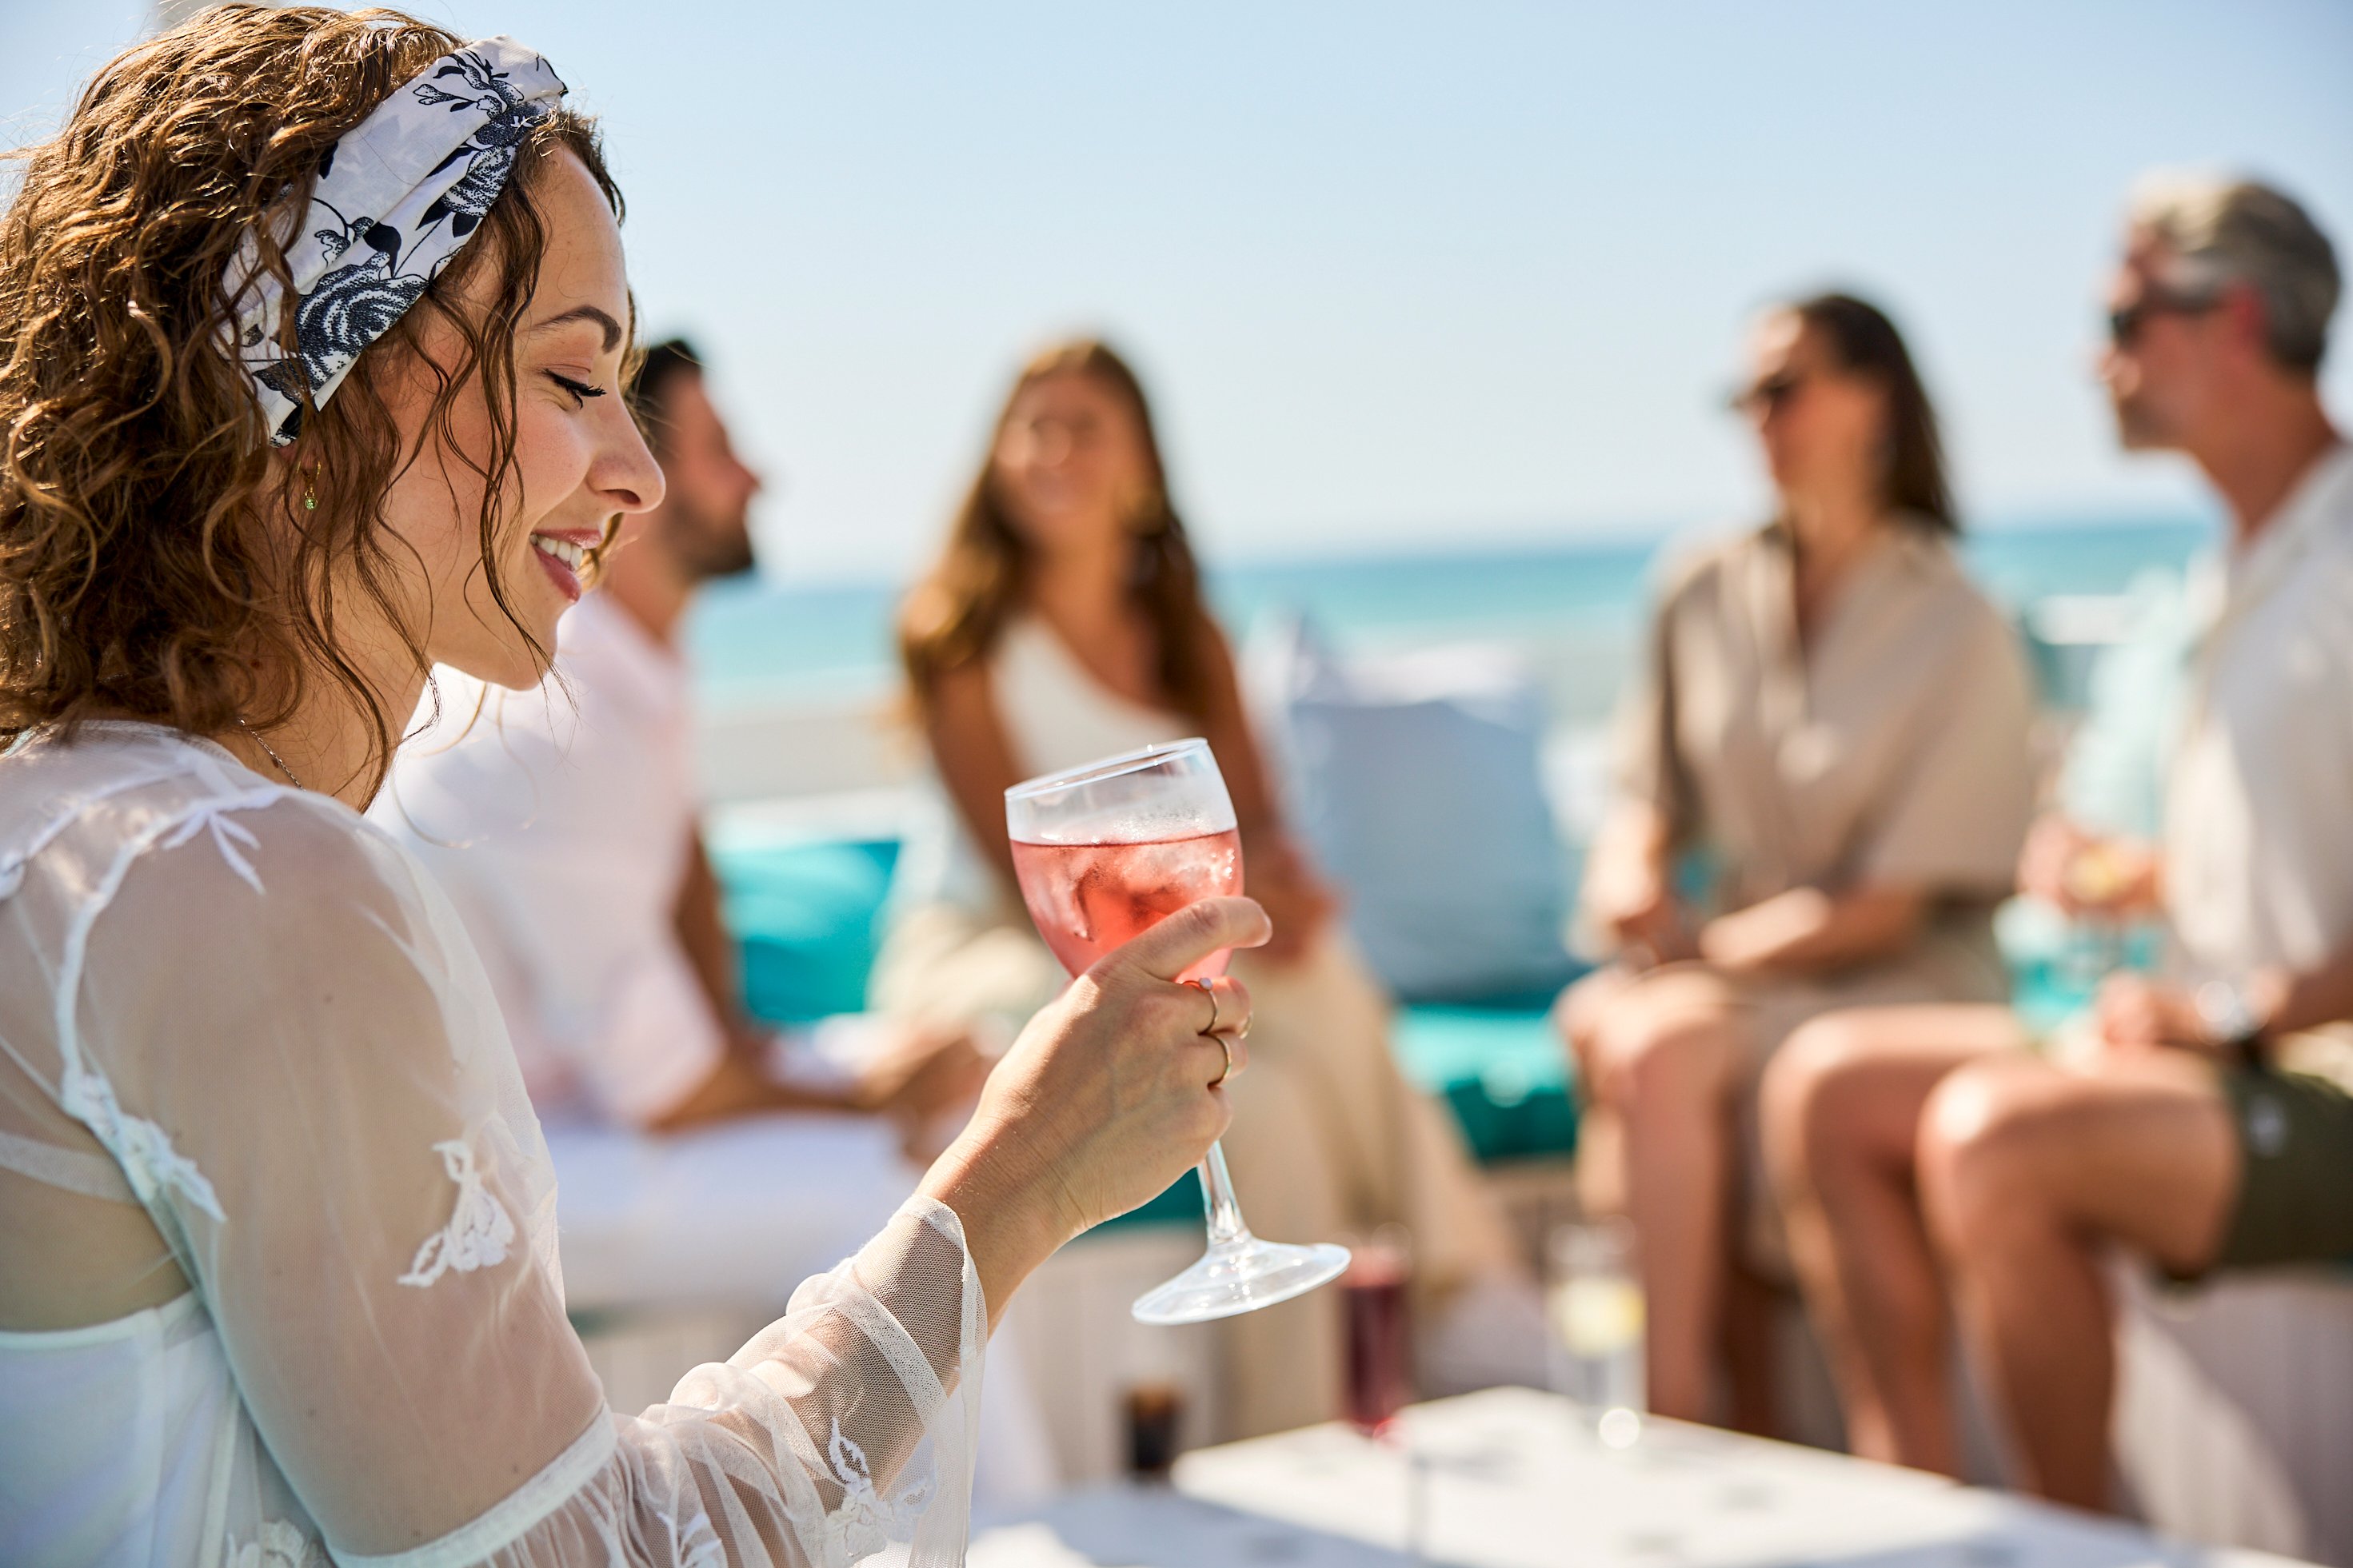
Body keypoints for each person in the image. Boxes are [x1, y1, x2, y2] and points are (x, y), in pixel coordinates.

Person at [0, 11, 1261, 1564]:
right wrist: (1014, 1181)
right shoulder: (246, 889)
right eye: (573, 376)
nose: (640, 474)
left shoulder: (66, 819)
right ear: (325, 382)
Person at [1763, 174, 2353, 1510]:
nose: (2097, 357)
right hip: (2221, 1049)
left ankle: (2063, 1544)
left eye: (2123, 314)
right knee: (1825, 1086)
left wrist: (2224, 1015)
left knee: (1991, 1138)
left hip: (2313, 1070)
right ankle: (1906, 1518)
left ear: (2233, 320)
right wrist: (2141, 875)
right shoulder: (2242, 569)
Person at [875, 337, 1537, 1438]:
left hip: (1155, 925)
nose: (1052, 450)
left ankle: (1445, 1307)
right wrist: (1219, 905)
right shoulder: (958, 641)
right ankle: (1335, 1407)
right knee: (1258, 1094)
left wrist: (1287, 891)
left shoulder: (1192, 644)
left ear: (1143, 466)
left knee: (1317, 991)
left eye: (1083, 425)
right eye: (1030, 425)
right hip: (996, 946)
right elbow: (1038, 883)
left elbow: (1256, 834)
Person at [373, 339, 992, 1318]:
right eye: (719, 448)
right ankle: (990, 1482)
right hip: (486, 1169)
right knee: (911, 1194)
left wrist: (870, 1073)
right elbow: (660, 1085)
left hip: (579, 1104)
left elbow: (691, 925)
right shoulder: (552, 723)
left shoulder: (628, 683)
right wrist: (870, 1098)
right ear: (631, 486)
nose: (756, 476)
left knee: (976, 1092)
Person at [1558, 293, 2037, 1427]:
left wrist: (1699, 954)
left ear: (1875, 399)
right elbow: (1646, 800)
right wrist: (1630, 879)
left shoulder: (1957, 622)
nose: (1755, 418)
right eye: (1745, 396)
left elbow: (1887, 907)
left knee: (1655, 1042)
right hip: (1748, 974)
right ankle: (1713, 1423)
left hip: (1892, 983)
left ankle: (1660, 1423)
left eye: (1782, 387)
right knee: (1625, 1030)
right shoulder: (1698, 587)